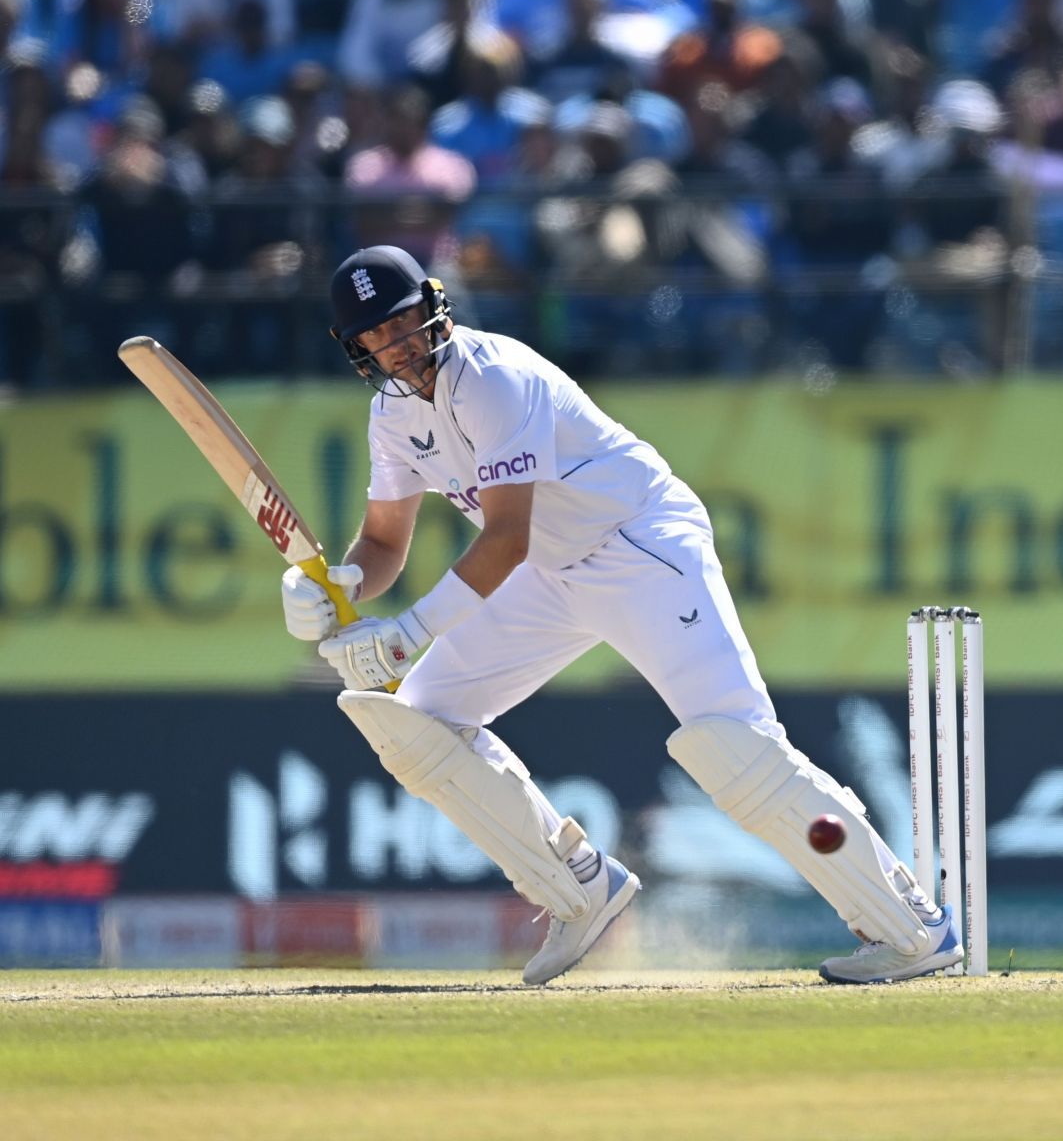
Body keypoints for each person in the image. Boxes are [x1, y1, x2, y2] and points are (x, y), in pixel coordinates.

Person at [281, 246, 963, 985]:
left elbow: (504, 537)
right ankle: (580, 890)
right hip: (551, 570)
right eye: (378, 335)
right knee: (419, 723)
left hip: (638, 544)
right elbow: (384, 540)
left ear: (435, 306)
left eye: (406, 321)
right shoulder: (391, 415)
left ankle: (912, 929)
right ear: (358, 349)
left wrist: (410, 632)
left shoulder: (494, 379)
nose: (398, 344)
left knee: (732, 745)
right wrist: (340, 583)